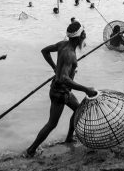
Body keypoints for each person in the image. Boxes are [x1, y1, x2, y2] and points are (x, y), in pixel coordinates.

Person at [25, 21, 97, 157]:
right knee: (52, 124)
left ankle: (69, 137)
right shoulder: (70, 54)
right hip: (60, 92)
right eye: (84, 33)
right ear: (80, 36)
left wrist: (54, 66)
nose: (85, 35)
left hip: (62, 90)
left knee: (78, 109)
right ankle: (31, 149)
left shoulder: (62, 44)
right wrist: (86, 89)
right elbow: (64, 78)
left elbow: (44, 51)